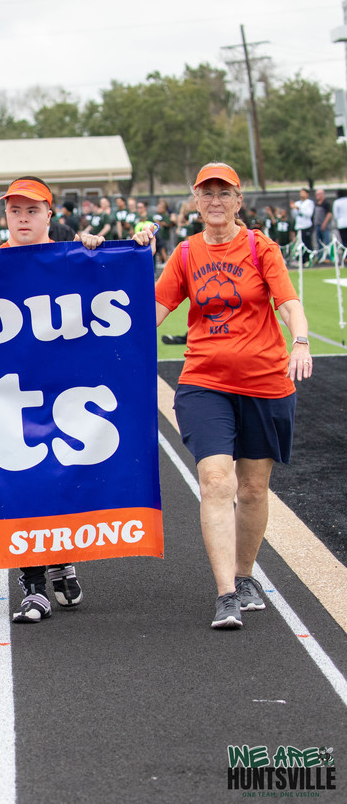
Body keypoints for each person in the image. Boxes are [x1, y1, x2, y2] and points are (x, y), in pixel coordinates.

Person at [0, 176, 156, 624]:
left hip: (64, 390)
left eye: (32, 210)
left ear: (49, 214)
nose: (23, 218)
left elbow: (114, 283)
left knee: (60, 475)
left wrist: (117, 250)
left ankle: (61, 558)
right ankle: (33, 585)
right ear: (5, 215)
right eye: (15, 211)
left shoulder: (72, 255)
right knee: (20, 483)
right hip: (10, 396)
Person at [155, 163, 311, 630]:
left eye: (224, 193)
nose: (216, 201)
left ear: (238, 201)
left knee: (253, 488)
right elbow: (151, 311)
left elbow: (289, 304)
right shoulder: (186, 253)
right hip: (204, 382)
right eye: (207, 193)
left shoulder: (261, 247)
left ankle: (245, 576)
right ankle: (226, 594)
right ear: (196, 201)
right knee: (216, 481)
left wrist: (301, 341)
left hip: (265, 383)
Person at [313, 188, 333, 262]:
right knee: (319, 243)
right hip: (317, 225)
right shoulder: (316, 203)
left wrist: (324, 224)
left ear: (322, 194)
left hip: (324, 226)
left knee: (327, 242)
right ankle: (320, 257)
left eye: (318, 194)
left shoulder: (326, 203)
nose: (317, 196)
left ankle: (328, 257)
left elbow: (329, 214)